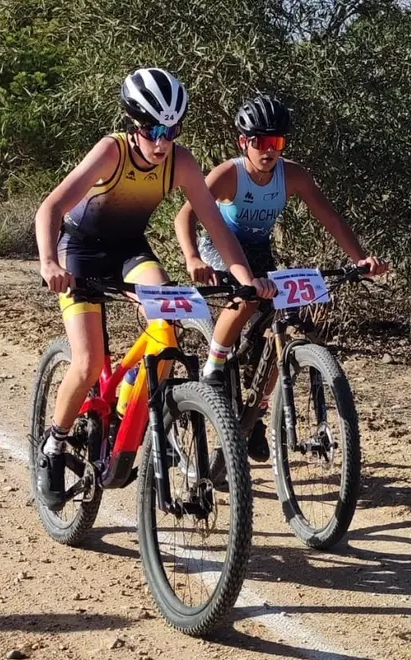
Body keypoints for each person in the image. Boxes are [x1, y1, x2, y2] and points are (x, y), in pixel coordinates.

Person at [35, 69, 277, 511]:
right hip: (81, 253)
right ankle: (54, 444)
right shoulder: (112, 152)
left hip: (129, 251)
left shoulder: (181, 162)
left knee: (167, 329)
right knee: (87, 361)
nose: (162, 141)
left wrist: (244, 279)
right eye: (153, 130)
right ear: (134, 125)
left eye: (172, 130)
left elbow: (216, 226)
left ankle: (134, 403)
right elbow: (51, 207)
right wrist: (49, 262)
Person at [174, 94, 389, 462]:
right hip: (221, 246)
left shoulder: (293, 175)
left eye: (277, 143)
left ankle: (255, 416)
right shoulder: (230, 174)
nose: (269, 150)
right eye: (260, 142)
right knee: (248, 296)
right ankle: (214, 366)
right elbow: (185, 217)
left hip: (258, 250)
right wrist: (193, 256)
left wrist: (360, 259)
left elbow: (330, 218)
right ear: (244, 142)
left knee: (279, 328)